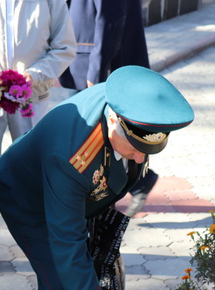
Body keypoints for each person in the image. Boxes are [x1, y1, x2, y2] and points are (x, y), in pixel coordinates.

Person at [0, 66, 194, 290]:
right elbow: (66, 247)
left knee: (90, 266)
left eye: (148, 151)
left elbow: (115, 170)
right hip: (26, 195)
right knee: (58, 276)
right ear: (113, 121)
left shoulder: (131, 110)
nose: (141, 159)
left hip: (80, 195)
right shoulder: (72, 152)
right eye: (134, 149)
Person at [0, 0, 76, 275]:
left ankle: (46, 248)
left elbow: (65, 48)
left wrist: (32, 76)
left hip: (32, 98)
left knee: (38, 173)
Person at [59, 0, 157, 217]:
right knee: (98, 137)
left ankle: (114, 194)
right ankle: (139, 181)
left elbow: (109, 20)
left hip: (97, 66)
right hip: (89, 62)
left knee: (95, 137)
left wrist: (96, 72)